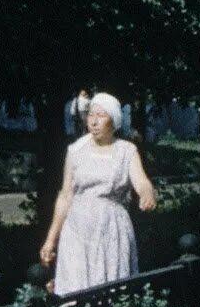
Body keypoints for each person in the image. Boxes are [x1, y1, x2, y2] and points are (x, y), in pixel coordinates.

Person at [40, 91, 158, 295]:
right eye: (91, 115)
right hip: (77, 232)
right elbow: (66, 195)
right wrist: (51, 239)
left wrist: (147, 194)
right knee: (75, 288)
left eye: (101, 116)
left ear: (113, 121)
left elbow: (141, 181)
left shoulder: (126, 151)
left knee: (111, 287)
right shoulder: (76, 150)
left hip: (111, 230)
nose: (93, 122)